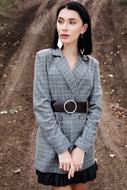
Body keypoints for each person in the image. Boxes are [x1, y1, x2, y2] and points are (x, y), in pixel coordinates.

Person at [33, 1, 102, 190]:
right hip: (54, 141)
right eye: (61, 21)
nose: (64, 27)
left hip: (82, 141)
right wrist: (62, 149)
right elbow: (41, 105)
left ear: (83, 28)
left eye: (72, 22)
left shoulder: (92, 64)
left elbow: (96, 107)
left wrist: (82, 147)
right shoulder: (44, 58)